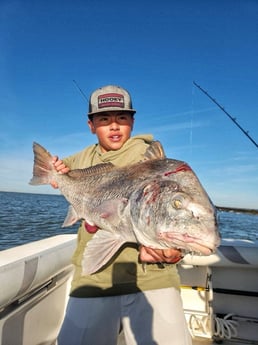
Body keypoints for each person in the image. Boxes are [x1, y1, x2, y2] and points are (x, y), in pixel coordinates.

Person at [52, 85, 192, 345]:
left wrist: (177, 250)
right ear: (91, 125)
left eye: (122, 119)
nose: (114, 126)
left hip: (153, 277)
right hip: (93, 278)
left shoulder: (145, 157)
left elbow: (176, 214)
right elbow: (60, 171)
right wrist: (56, 171)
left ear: (132, 123)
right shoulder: (83, 157)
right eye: (104, 119)